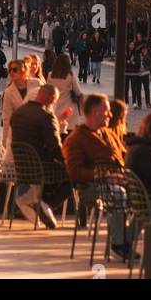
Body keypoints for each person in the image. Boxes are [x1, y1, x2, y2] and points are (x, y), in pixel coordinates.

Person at [63, 93, 127, 255]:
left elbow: (123, 156)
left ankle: (128, 237)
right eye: (107, 111)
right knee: (119, 194)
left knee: (148, 194)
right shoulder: (76, 139)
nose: (110, 115)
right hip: (92, 188)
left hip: (118, 182)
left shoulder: (108, 133)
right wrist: (102, 176)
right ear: (95, 112)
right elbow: (75, 172)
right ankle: (119, 243)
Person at [9, 84, 71, 228]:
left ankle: (39, 203)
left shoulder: (18, 113)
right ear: (50, 98)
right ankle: (46, 203)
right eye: (54, 100)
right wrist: (67, 161)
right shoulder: (46, 116)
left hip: (22, 165)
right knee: (72, 176)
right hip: (41, 166)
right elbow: (54, 147)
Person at [47, 52, 83, 134]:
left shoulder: (50, 75)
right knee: (68, 130)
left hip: (54, 106)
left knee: (55, 129)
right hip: (68, 107)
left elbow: (47, 88)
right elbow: (78, 92)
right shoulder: (70, 76)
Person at [0, 58, 29, 151]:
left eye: (15, 70)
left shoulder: (34, 85)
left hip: (34, 133)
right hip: (18, 135)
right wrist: (5, 142)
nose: (11, 72)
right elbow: (6, 118)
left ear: (23, 71)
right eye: (10, 70)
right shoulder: (8, 92)